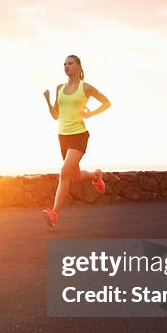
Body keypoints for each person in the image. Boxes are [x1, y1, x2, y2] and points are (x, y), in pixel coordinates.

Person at [41, 55, 112, 228]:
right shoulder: (59, 89)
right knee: (75, 176)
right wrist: (48, 101)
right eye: (64, 64)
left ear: (79, 67)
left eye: (70, 63)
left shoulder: (85, 88)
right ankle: (96, 176)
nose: (66, 66)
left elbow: (106, 103)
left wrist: (90, 114)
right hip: (62, 136)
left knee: (64, 173)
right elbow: (55, 116)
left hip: (79, 135)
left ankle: (54, 212)